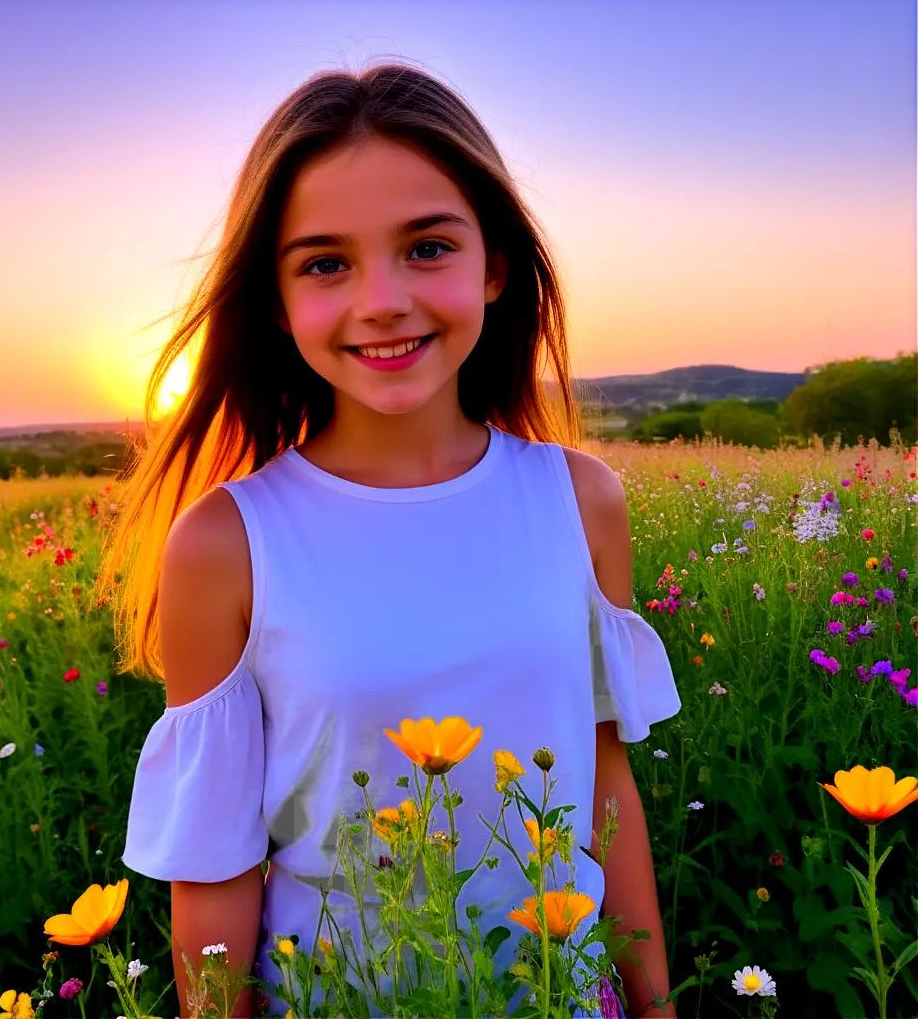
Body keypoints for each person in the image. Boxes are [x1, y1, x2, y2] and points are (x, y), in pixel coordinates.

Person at [99, 59, 681, 1019]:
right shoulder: (229, 541)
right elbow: (215, 869)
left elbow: (604, 782)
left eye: (426, 247)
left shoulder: (580, 500)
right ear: (277, 302)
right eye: (326, 264)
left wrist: (653, 1003)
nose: (381, 300)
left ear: (493, 264)